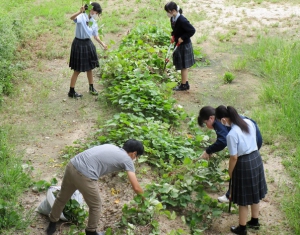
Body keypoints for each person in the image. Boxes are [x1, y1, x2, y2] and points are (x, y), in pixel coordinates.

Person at [46, 139, 144, 235]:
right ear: (134, 153)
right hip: (84, 176)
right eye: (137, 156)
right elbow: (136, 187)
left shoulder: (111, 147)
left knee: (62, 198)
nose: (136, 159)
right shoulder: (127, 159)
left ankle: (52, 223)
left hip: (72, 165)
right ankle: (91, 231)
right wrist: (144, 198)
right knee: (96, 205)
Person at [215, 105, 267, 235]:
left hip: (244, 163)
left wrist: (230, 171)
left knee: (243, 200)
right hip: (256, 158)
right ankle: (255, 221)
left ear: (223, 120)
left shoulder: (232, 134)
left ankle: (242, 228)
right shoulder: (248, 122)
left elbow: (234, 157)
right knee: (255, 193)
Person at [197, 106, 263, 203]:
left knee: (237, 168)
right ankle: (244, 190)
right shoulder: (224, 115)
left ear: (211, 118)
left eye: (206, 123)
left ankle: (231, 195)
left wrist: (208, 150)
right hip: (253, 134)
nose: (207, 126)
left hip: (252, 139)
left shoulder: (218, 122)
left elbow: (222, 141)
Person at [68, 2, 108, 98]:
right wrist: (79, 11)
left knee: (90, 67)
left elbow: (95, 36)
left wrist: (103, 44)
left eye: (97, 13)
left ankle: (91, 87)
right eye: (95, 12)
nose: (96, 14)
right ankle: (71, 91)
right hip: (79, 43)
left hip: (88, 43)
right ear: (90, 9)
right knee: (77, 69)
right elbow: (72, 18)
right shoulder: (81, 17)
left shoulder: (93, 21)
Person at [164, 2, 196, 91]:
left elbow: (192, 30)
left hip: (184, 44)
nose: (167, 14)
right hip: (178, 43)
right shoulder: (173, 18)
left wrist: (182, 37)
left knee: (183, 66)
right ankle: (185, 82)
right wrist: (173, 35)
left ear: (174, 11)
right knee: (182, 64)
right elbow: (175, 30)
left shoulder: (182, 20)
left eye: (168, 11)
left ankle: (183, 85)